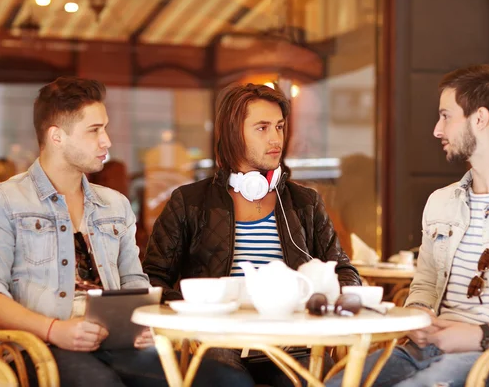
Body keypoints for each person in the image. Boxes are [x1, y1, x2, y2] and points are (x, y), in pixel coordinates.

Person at [0, 77, 238, 387]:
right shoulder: (3, 201)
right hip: (42, 347)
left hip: (117, 343)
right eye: (94, 130)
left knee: (225, 380)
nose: (106, 141)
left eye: (104, 128)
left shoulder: (115, 205)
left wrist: (143, 322)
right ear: (57, 136)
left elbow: (134, 282)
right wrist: (54, 329)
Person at [327, 64, 489, 387]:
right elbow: (424, 287)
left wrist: (478, 335)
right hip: (423, 349)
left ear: (479, 119)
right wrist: (420, 315)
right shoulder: (440, 203)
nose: (437, 130)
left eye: (446, 116)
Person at [143, 82, 362, 386]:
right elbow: (153, 279)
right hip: (218, 341)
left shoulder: (305, 203)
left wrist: (324, 302)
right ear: (234, 134)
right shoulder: (189, 202)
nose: (276, 139)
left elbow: (345, 271)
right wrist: (199, 309)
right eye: (262, 128)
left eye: (280, 127)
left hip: (294, 341)